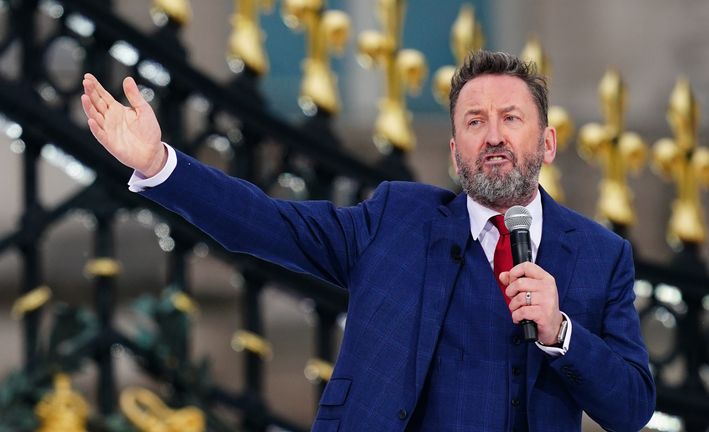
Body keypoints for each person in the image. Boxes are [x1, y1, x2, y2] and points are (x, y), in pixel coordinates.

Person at [81, 50, 655, 431]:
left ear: (548, 143)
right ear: (455, 151)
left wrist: (562, 334)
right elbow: (264, 222)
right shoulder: (395, 220)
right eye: (475, 122)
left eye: (511, 118)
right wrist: (160, 164)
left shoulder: (601, 257)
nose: (494, 136)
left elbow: (631, 407)